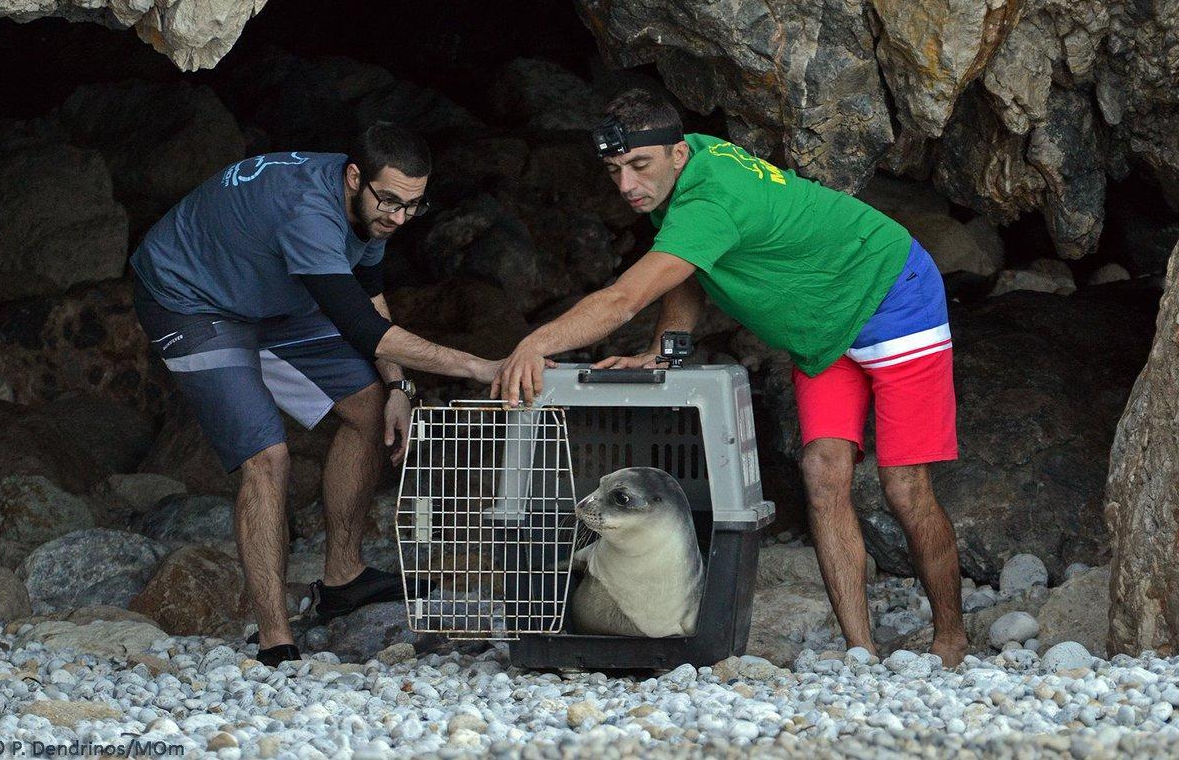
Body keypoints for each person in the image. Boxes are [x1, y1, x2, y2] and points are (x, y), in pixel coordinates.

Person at [491, 89, 968, 664]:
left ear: (676, 154)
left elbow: (622, 299)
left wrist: (535, 343)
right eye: (614, 171)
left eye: (638, 166)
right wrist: (665, 350)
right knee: (822, 473)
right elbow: (687, 270)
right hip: (822, 330)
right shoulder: (684, 169)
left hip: (891, 294)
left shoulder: (710, 201)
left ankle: (950, 639)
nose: (626, 187)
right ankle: (861, 653)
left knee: (903, 487)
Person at [130, 124, 498, 667]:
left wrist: (397, 385)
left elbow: (369, 293)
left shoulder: (369, 209)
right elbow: (363, 328)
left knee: (371, 408)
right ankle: (275, 640)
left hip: (276, 293)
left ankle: (343, 578)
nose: (398, 219)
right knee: (266, 457)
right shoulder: (309, 212)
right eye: (390, 202)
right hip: (191, 298)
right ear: (355, 177)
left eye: (413, 207)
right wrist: (481, 366)